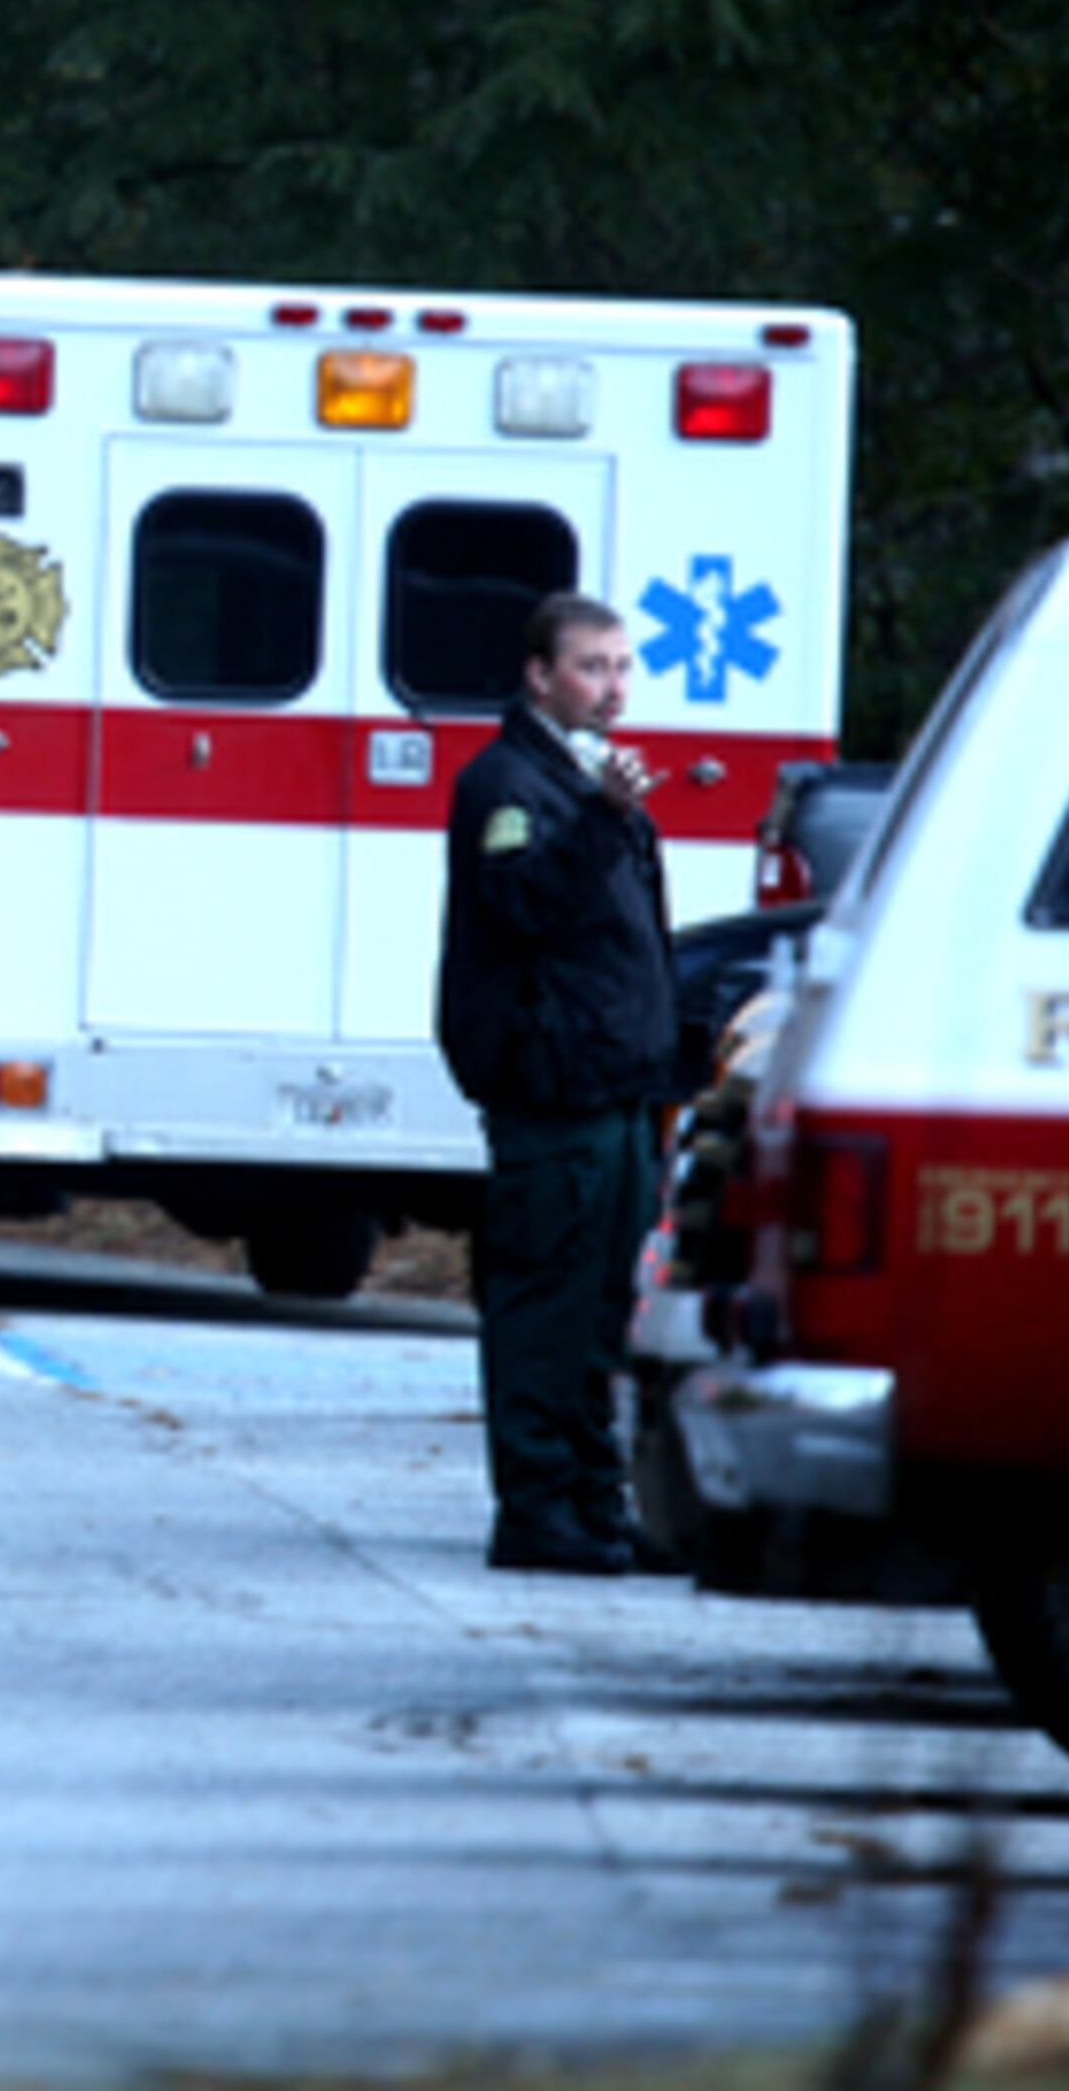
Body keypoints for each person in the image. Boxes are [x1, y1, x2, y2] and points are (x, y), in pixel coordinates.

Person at [435, 590, 679, 1577]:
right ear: (539, 675)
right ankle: (537, 1509)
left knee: (608, 1311)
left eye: (622, 667)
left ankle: (597, 1501)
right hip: (553, 1092)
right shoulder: (507, 784)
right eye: (591, 666)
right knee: (546, 1306)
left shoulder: (586, 779)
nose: (612, 687)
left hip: (613, 1090)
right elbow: (524, 904)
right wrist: (601, 820)